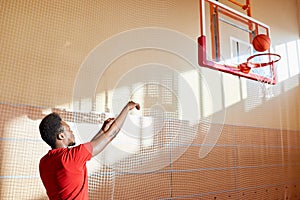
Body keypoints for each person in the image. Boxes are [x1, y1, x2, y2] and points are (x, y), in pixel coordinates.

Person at [39, 101, 140, 199]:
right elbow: (112, 134)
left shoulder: (44, 162)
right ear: (61, 136)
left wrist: (102, 131)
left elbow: (84, 153)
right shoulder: (71, 157)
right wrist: (127, 108)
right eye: (69, 129)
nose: (72, 131)